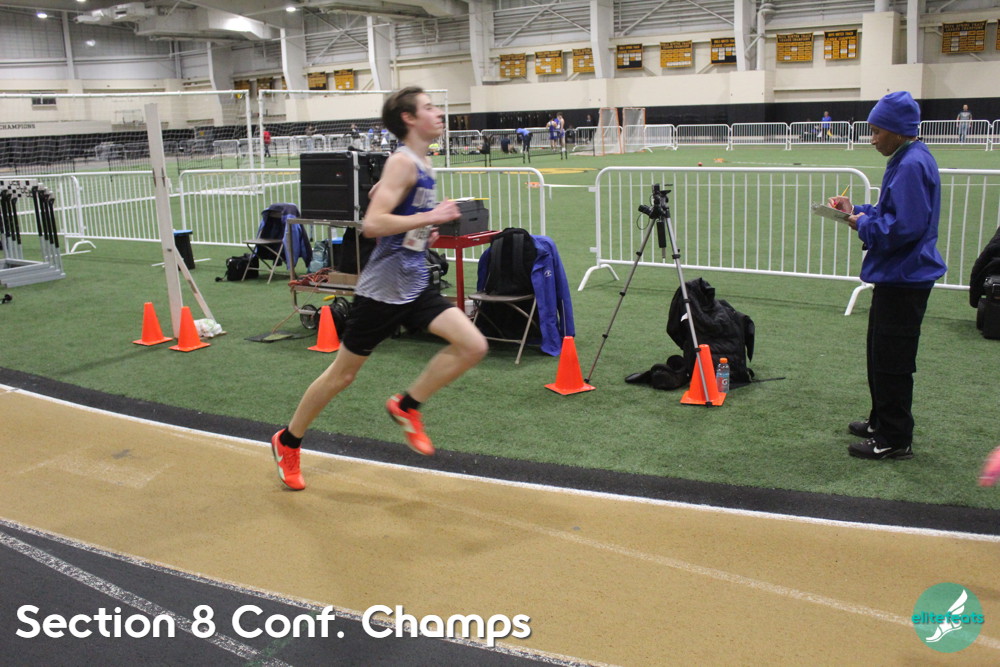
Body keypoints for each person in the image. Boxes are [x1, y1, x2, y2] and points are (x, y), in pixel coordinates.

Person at [270, 87, 488, 490]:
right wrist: (431, 216)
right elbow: (372, 224)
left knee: (473, 346)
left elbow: (397, 215)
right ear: (409, 118)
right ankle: (288, 440)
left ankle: (406, 405)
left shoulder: (423, 162)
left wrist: (424, 231)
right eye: (429, 108)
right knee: (341, 376)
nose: (439, 113)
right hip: (383, 290)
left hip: (415, 282)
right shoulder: (402, 162)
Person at [827, 91, 947, 461]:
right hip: (897, 274)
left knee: (893, 361)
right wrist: (857, 210)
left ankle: (894, 438)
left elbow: (903, 227)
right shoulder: (908, 157)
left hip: (905, 276)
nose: (873, 139)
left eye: (877, 131)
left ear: (897, 130)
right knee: (880, 354)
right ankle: (881, 421)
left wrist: (861, 223)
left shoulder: (911, 164)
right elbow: (890, 211)